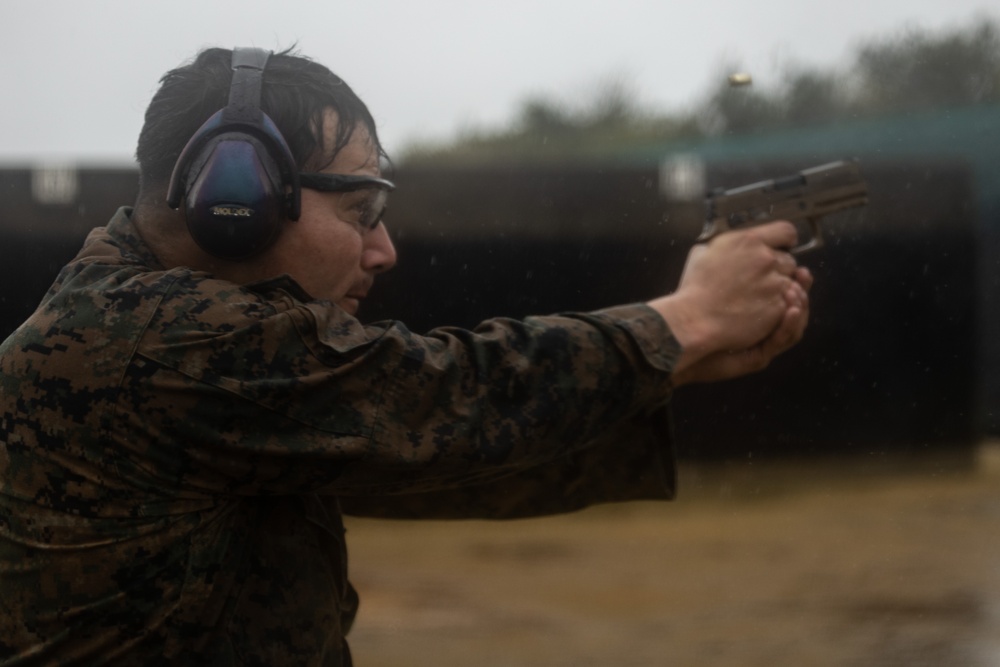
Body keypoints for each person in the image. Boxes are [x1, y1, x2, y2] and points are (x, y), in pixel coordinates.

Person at [0, 47, 811, 666]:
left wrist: (671, 362)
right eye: (359, 210)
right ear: (234, 197)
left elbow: (423, 457)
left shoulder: (125, 321)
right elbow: (449, 398)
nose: (383, 250)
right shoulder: (164, 336)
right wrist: (683, 321)